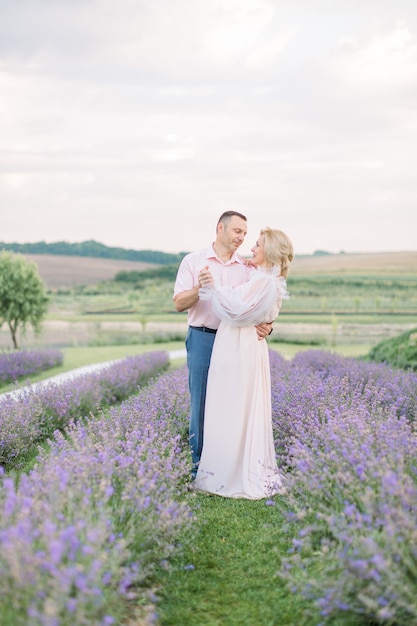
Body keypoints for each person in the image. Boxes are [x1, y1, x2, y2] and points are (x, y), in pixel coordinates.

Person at [194, 227, 293, 499]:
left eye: (258, 245)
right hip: (235, 344)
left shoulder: (266, 283)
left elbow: (239, 313)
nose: (252, 248)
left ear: (270, 251)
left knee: (236, 404)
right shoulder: (261, 278)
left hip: (241, 346)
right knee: (228, 403)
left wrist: (214, 289)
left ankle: (231, 472)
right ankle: (225, 467)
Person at [173, 212, 273, 480]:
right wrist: (200, 288)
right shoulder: (193, 261)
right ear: (220, 228)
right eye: (237, 231)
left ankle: (228, 466)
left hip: (237, 343)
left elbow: (265, 298)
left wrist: (269, 325)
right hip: (204, 337)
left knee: (232, 403)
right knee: (202, 403)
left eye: (244, 233)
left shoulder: (247, 268)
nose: (242, 238)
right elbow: (179, 303)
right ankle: (199, 468)